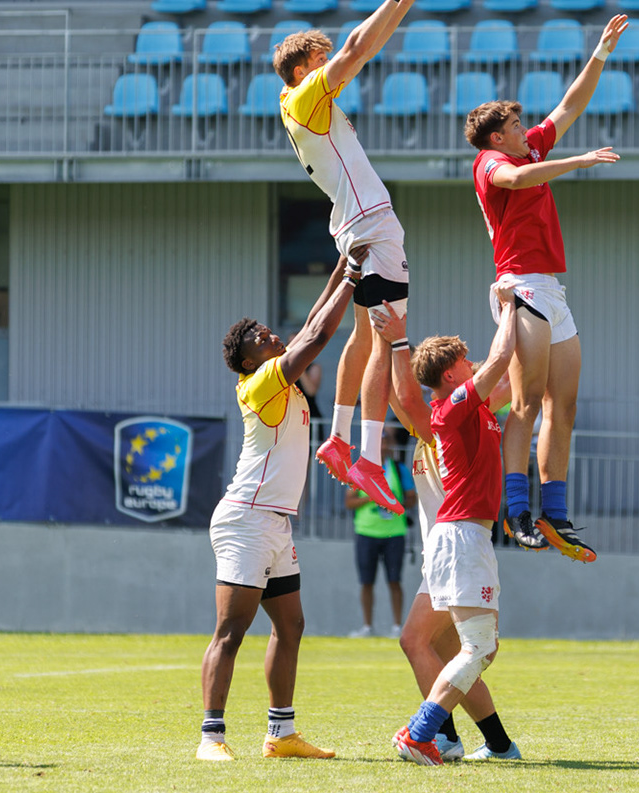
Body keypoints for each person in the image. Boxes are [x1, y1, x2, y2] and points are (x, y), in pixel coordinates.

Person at [274, 0, 439, 510]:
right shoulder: (305, 96)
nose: (331, 68)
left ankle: (340, 442)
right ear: (302, 71)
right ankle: (368, 456)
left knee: (365, 336)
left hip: (351, 226)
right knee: (390, 338)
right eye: (319, 62)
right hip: (372, 223)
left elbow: (358, 51)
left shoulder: (299, 106)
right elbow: (354, 48)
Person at [464, 13, 630, 562]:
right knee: (527, 403)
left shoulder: (529, 147)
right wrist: (578, 161)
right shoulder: (492, 161)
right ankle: (514, 510)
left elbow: (570, 105)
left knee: (566, 404)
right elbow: (516, 180)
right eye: (515, 125)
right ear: (497, 136)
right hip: (519, 288)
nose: (526, 127)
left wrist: (600, 52)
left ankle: (553, 514)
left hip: (551, 291)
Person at [200, 254, 362, 761]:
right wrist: (354, 281)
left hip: (273, 522)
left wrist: (339, 268)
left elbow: (311, 324)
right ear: (249, 361)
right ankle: (211, 737)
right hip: (246, 519)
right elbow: (315, 339)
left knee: (290, 625)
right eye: (262, 339)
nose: (272, 337)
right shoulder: (261, 381)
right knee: (231, 632)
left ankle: (280, 734)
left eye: (270, 333)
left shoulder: (277, 373)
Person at [373, 303, 521, 762]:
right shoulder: (448, 409)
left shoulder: (471, 409)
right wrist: (513, 308)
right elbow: (495, 365)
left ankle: (491, 744)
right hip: (460, 540)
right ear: (453, 377)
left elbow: (511, 379)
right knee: (477, 648)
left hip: (455, 540)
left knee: (459, 647)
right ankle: (424, 733)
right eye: (463, 360)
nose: (472, 361)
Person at [347, 423, 417, 639]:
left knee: (395, 580)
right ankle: (367, 627)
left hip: (394, 533)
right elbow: (350, 502)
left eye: (386, 440)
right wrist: (373, 496)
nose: (382, 444)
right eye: (379, 440)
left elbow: (411, 498)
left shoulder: (399, 469)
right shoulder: (361, 469)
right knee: (366, 582)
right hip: (367, 532)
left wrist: (392, 501)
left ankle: (397, 626)